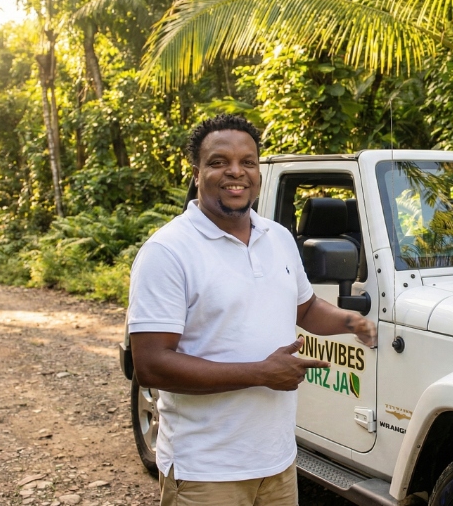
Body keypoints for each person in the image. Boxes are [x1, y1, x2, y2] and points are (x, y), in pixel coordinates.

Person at [126, 114, 377, 506]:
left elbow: (305, 308)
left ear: (258, 171)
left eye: (247, 161)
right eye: (218, 162)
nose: (235, 172)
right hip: (206, 472)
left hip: (277, 463)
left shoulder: (276, 237)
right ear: (196, 173)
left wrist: (351, 322)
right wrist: (260, 373)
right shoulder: (167, 251)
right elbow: (152, 365)